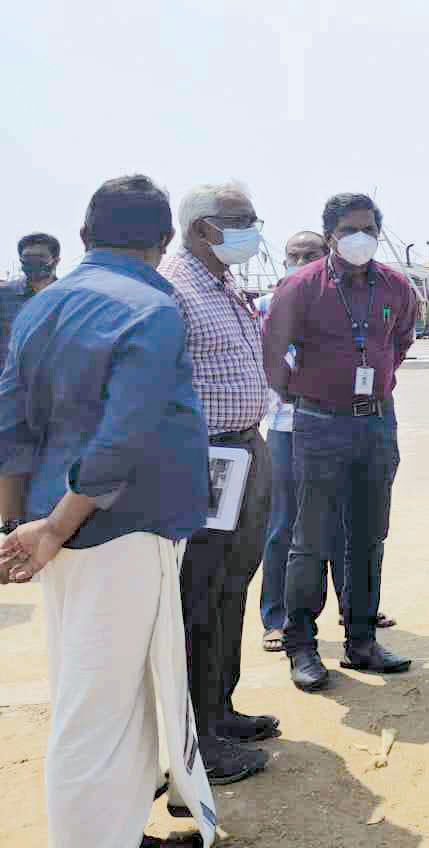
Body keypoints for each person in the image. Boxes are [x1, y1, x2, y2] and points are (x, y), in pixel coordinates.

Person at [0, 175, 219, 848]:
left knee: (117, 693)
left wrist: (19, 528)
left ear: (86, 236)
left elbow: (11, 426)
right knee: (97, 708)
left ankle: (116, 831)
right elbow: (124, 437)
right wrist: (56, 526)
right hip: (117, 527)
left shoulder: (40, 307)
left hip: (58, 528)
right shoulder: (151, 310)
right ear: (161, 242)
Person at [261, 193, 418, 691]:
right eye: (351, 228)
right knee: (310, 540)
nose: (362, 237)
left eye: (370, 228)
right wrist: (303, 392)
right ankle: (301, 646)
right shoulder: (301, 286)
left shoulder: (395, 286)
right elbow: (271, 351)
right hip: (319, 424)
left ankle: (362, 640)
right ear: (330, 234)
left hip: (375, 424)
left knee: (369, 536)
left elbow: (401, 341)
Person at [161, 183, 277, 782]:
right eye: (242, 221)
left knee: (232, 586)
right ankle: (198, 738)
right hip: (205, 460)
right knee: (199, 596)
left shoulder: (222, 282)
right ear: (204, 228)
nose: (254, 229)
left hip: (244, 451)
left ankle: (220, 708)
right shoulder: (175, 289)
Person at [0, 232, 60, 375]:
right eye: (27, 258)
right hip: (9, 383)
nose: (33, 263)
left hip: (52, 383)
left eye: (40, 258)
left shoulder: (68, 297)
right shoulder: (3, 295)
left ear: (56, 261)